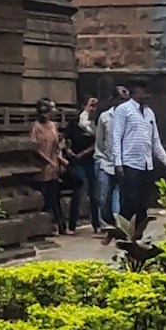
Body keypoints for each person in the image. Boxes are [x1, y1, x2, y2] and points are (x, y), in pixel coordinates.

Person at [108, 84, 166, 237]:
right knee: (130, 200)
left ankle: (138, 235)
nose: (147, 95)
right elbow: (116, 137)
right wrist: (118, 162)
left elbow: (155, 141)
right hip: (129, 163)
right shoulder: (124, 110)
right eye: (144, 91)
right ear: (136, 92)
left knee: (143, 203)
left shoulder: (149, 113)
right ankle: (120, 231)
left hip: (146, 163)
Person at [31, 102, 68, 237]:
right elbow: (36, 149)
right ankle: (47, 226)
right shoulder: (36, 127)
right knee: (45, 196)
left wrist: (60, 159)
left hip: (54, 165)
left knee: (55, 196)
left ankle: (61, 226)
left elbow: (57, 145)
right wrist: (49, 161)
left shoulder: (53, 126)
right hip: (42, 166)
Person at [66, 98, 102, 233]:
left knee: (94, 193)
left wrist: (82, 154)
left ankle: (96, 224)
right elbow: (67, 138)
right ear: (83, 106)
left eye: (95, 107)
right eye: (91, 106)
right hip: (77, 161)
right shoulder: (75, 122)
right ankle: (72, 225)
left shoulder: (96, 123)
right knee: (78, 191)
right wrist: (69, 150)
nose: (93, 109)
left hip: (90, 160)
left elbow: (97, 142)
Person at [91, 91, 121, 230]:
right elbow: (100, 141)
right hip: (104, 161)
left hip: (121, 162)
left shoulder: (128, 117)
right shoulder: (105, 117)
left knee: (117, 195)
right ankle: (104, 222)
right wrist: (100, 157)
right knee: (103, 195)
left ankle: (116, 223)